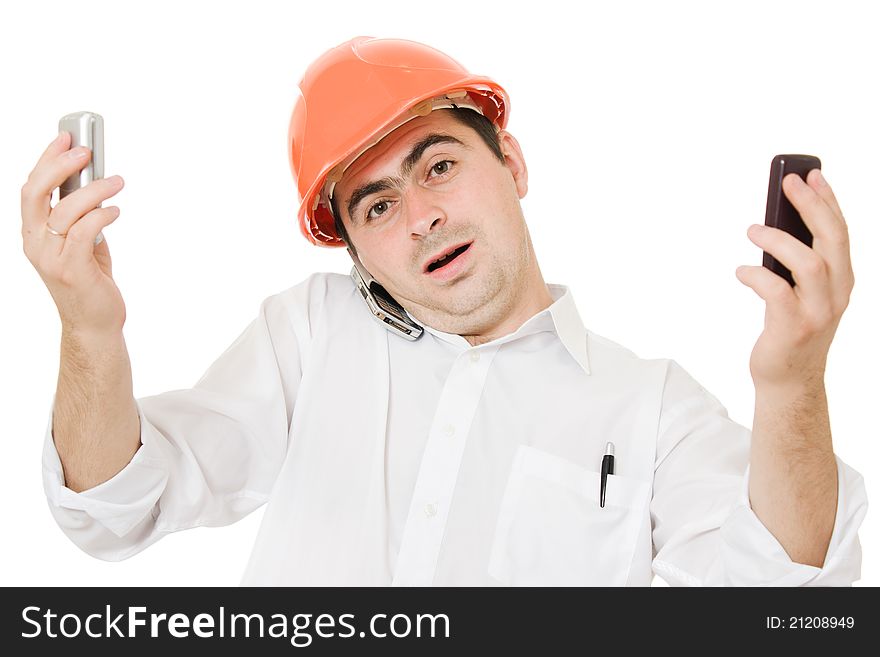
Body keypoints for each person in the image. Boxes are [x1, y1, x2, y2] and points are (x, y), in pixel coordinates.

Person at [22, 36, 866, 586]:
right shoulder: (314, 334)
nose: (420, 216)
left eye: (437, 167)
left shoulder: (654, 409)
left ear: (513, 164)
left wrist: (795, 384)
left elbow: (781, 602)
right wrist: (88, 330)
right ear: (356, 251)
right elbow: (113, 506)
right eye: (377, 207)